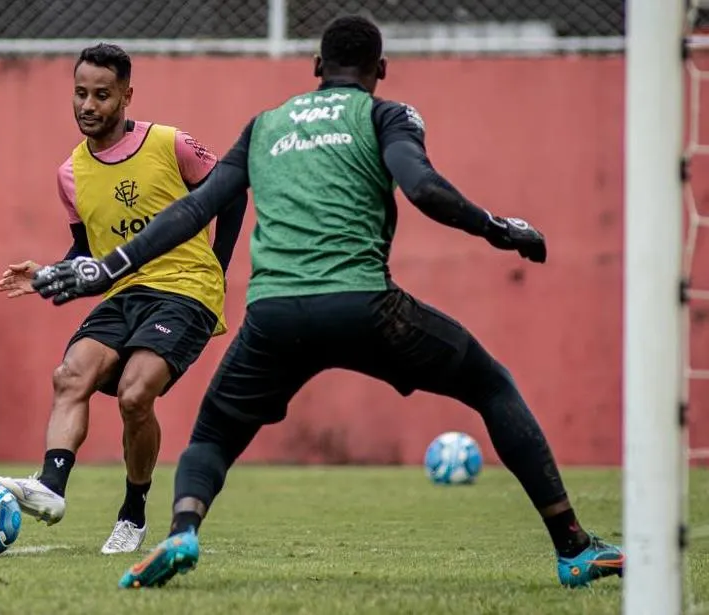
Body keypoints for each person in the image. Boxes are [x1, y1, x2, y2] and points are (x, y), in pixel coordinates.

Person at [32, 16, 625, 588]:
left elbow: (192, 209)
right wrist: (499, 228)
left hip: (272, 316)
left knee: (212, 435)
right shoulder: (385, 114)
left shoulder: (266, 125)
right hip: (364, 306)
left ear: (316, 66)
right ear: (380, 69)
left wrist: (105, 268)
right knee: (490, 385)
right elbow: (423, 188)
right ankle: (572, 548)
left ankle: (183, 530)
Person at [0, 42, 247, 555]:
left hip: (185, 290)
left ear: (127, 94)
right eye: (80, 93)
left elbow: (231, 193)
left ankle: (133, 513)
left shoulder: (172, 144)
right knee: (70, 375)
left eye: (101, 94)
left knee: (134, 394)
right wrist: (49, 274)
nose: (88, 105)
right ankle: (51, 488)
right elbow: (90, 255)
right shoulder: (70, 174)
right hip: (125, 292)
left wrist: (218, 265)